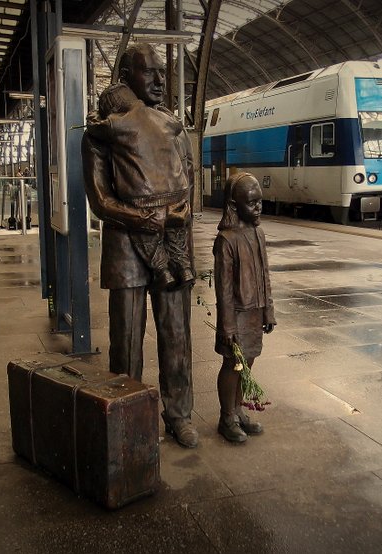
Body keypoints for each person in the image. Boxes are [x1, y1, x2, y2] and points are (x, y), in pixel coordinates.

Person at [82, 44, 198, 448]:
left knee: (176, 332)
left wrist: (174, 215)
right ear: (126, 78)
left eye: (162, 73)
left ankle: (179, 414)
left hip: (171, 234)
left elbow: (188, 178)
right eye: (150, 73)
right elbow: (100, 201)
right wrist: (142, 218)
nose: (160, 81)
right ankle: (128, 417)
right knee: (127, 338)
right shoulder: (101, 133)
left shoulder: (172, 125)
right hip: (125, 242)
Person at [85, 82, 194, 290]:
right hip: (176, 194)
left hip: (145, 198)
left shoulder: (117, 122)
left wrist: (94, 117)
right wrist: (161, 110)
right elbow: (177, 123)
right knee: (176, 235)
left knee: (147, 238)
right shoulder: (164, 119)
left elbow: (96, 126)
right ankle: (184, 267)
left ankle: (161, 270)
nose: (159, 80)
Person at [213, 172, 276, 443]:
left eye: (259, 202)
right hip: (235, 314)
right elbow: (223, 289)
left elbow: (265, 275)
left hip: (255, 310)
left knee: (247, 361)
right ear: (234, 205)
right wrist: (226, 324)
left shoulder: (258, 233)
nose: (258, 208)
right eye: (251, 203)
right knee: (233, 364)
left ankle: (238, 411)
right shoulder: (226, 240)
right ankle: (226, 417)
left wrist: (268, 309)